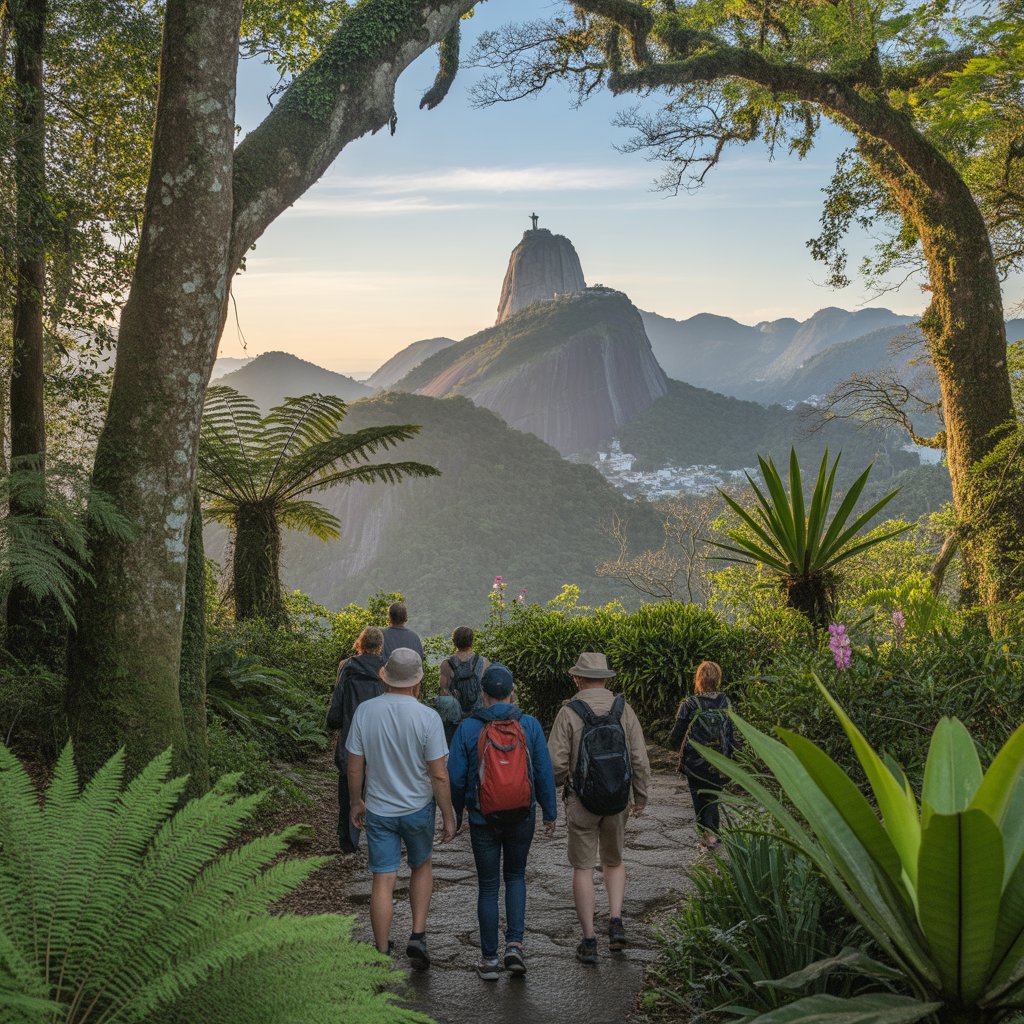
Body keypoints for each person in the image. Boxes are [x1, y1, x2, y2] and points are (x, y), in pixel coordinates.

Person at [346, 648, 457, 969]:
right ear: (418, 682)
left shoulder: (366, 712)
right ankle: (418, 936)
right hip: (418, 809)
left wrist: (356, 801)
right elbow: (438, 773)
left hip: (379, 810)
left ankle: (381, 950)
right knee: (421, 866)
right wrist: (448, 815)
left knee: (383, 878)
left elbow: (355, 766)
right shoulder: (427, 717)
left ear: (385, 677)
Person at [447, 663, 557, 981]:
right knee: (516, 877)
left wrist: (455, 815)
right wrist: (549, 812)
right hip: (522, 815)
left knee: (488, 886)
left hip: (483, 818)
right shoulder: (531, 726)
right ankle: (515, 947)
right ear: (512, 692)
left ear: (482, 694)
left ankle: (489, 960)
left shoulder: (468, 729)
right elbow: (542, 771)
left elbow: (454, 778)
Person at [548, 652, 651, 966]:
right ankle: (616, 921)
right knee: (614, 860)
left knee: (583, 867)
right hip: (618, 799)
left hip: (582, 801)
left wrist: (557, 791)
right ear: (606, 678)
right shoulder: (624, 710)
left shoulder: (569, 712)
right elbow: (639, 758)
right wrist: (641, 796)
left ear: (578, 678)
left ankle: (589, 940)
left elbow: (555, 764)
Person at [326, 626, 386, 854]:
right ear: (380, 645)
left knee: (348, 791)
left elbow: (338, 700)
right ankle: (379, 838)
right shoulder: (385, 669)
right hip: (379, 738)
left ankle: (349, 842)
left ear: (360, 642)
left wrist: (334, 722)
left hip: (351, 736)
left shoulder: (347, 666)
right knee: (379, 788)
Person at [670, 660, 735, 848]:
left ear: (698, 678)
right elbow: (733, 733)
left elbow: (675, 735)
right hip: (720, 761)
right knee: (713, 797)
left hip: (695, 762)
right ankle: (713, 834)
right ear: (718, 678)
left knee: (700, 799)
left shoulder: (690, 704)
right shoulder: (726, 702)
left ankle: (709, 837)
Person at [438, 625, 490, 742]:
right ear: (472, 641)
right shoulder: (484, 662)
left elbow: (443, 692)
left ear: (454, 642)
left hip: (455, 722)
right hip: (479, 718)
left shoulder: (447, 664)